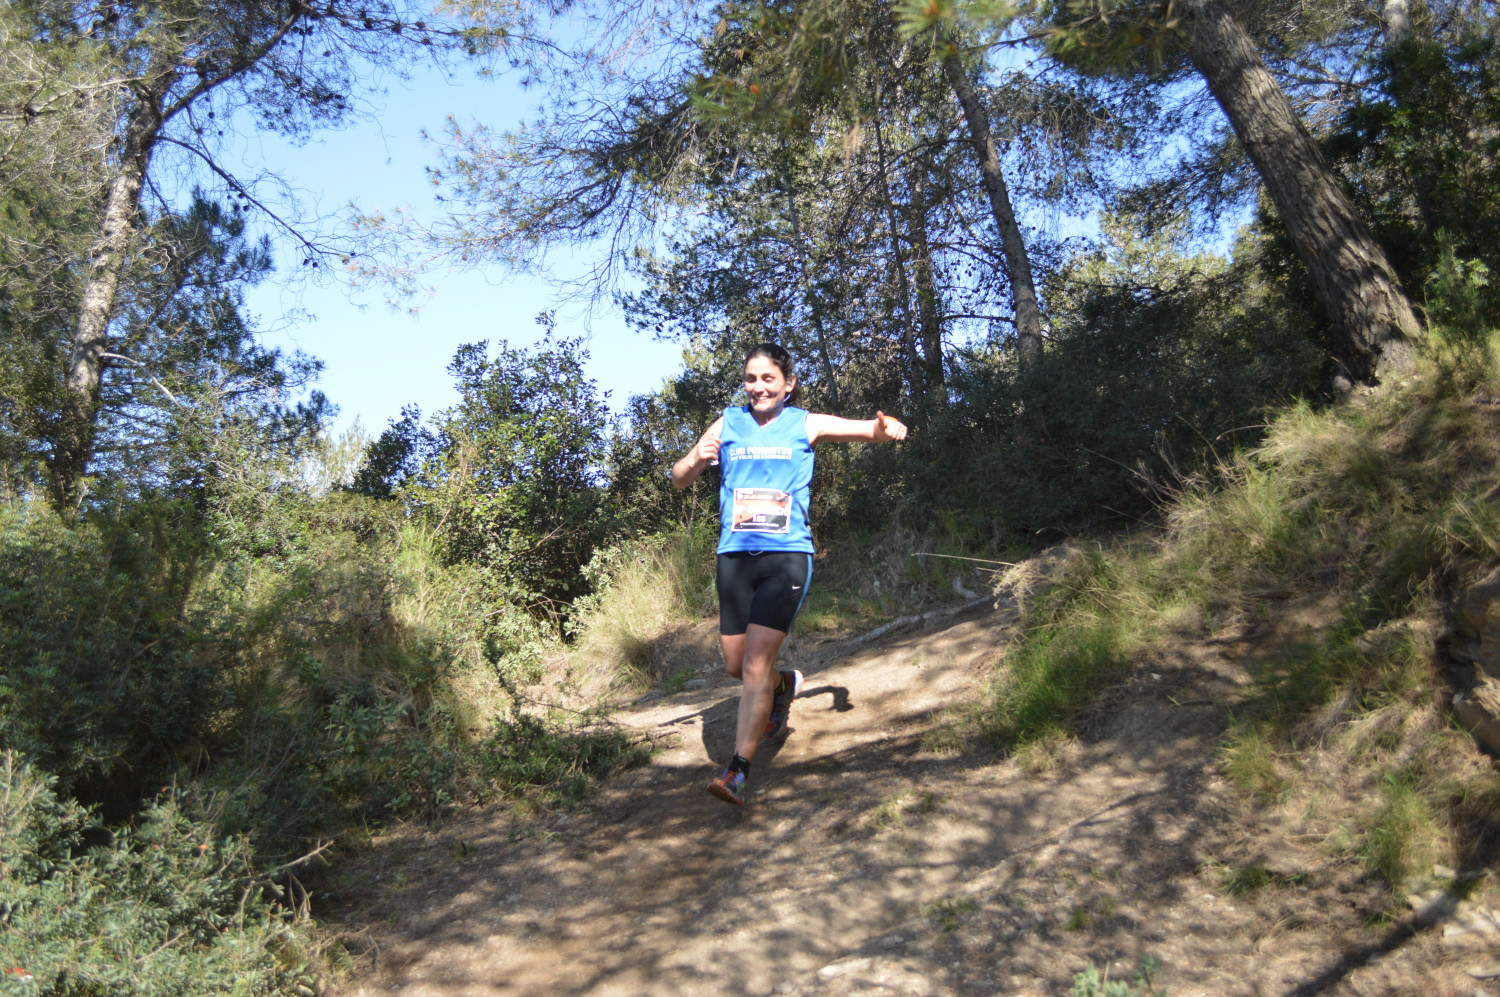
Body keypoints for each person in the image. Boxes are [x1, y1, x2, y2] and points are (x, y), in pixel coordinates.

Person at [671, 343, 908, 806]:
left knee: (755, 664)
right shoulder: (727, 422)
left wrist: (885, 428)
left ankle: (738, 770)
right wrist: (697, 456)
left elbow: (866, 430)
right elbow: (679, 477)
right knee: (737, 665)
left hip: (786, 556)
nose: (758, 387)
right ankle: (784, 686)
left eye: (768, 379)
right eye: (751, 379)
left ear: (788, 383)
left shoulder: (805, 423)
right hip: (734, 557)